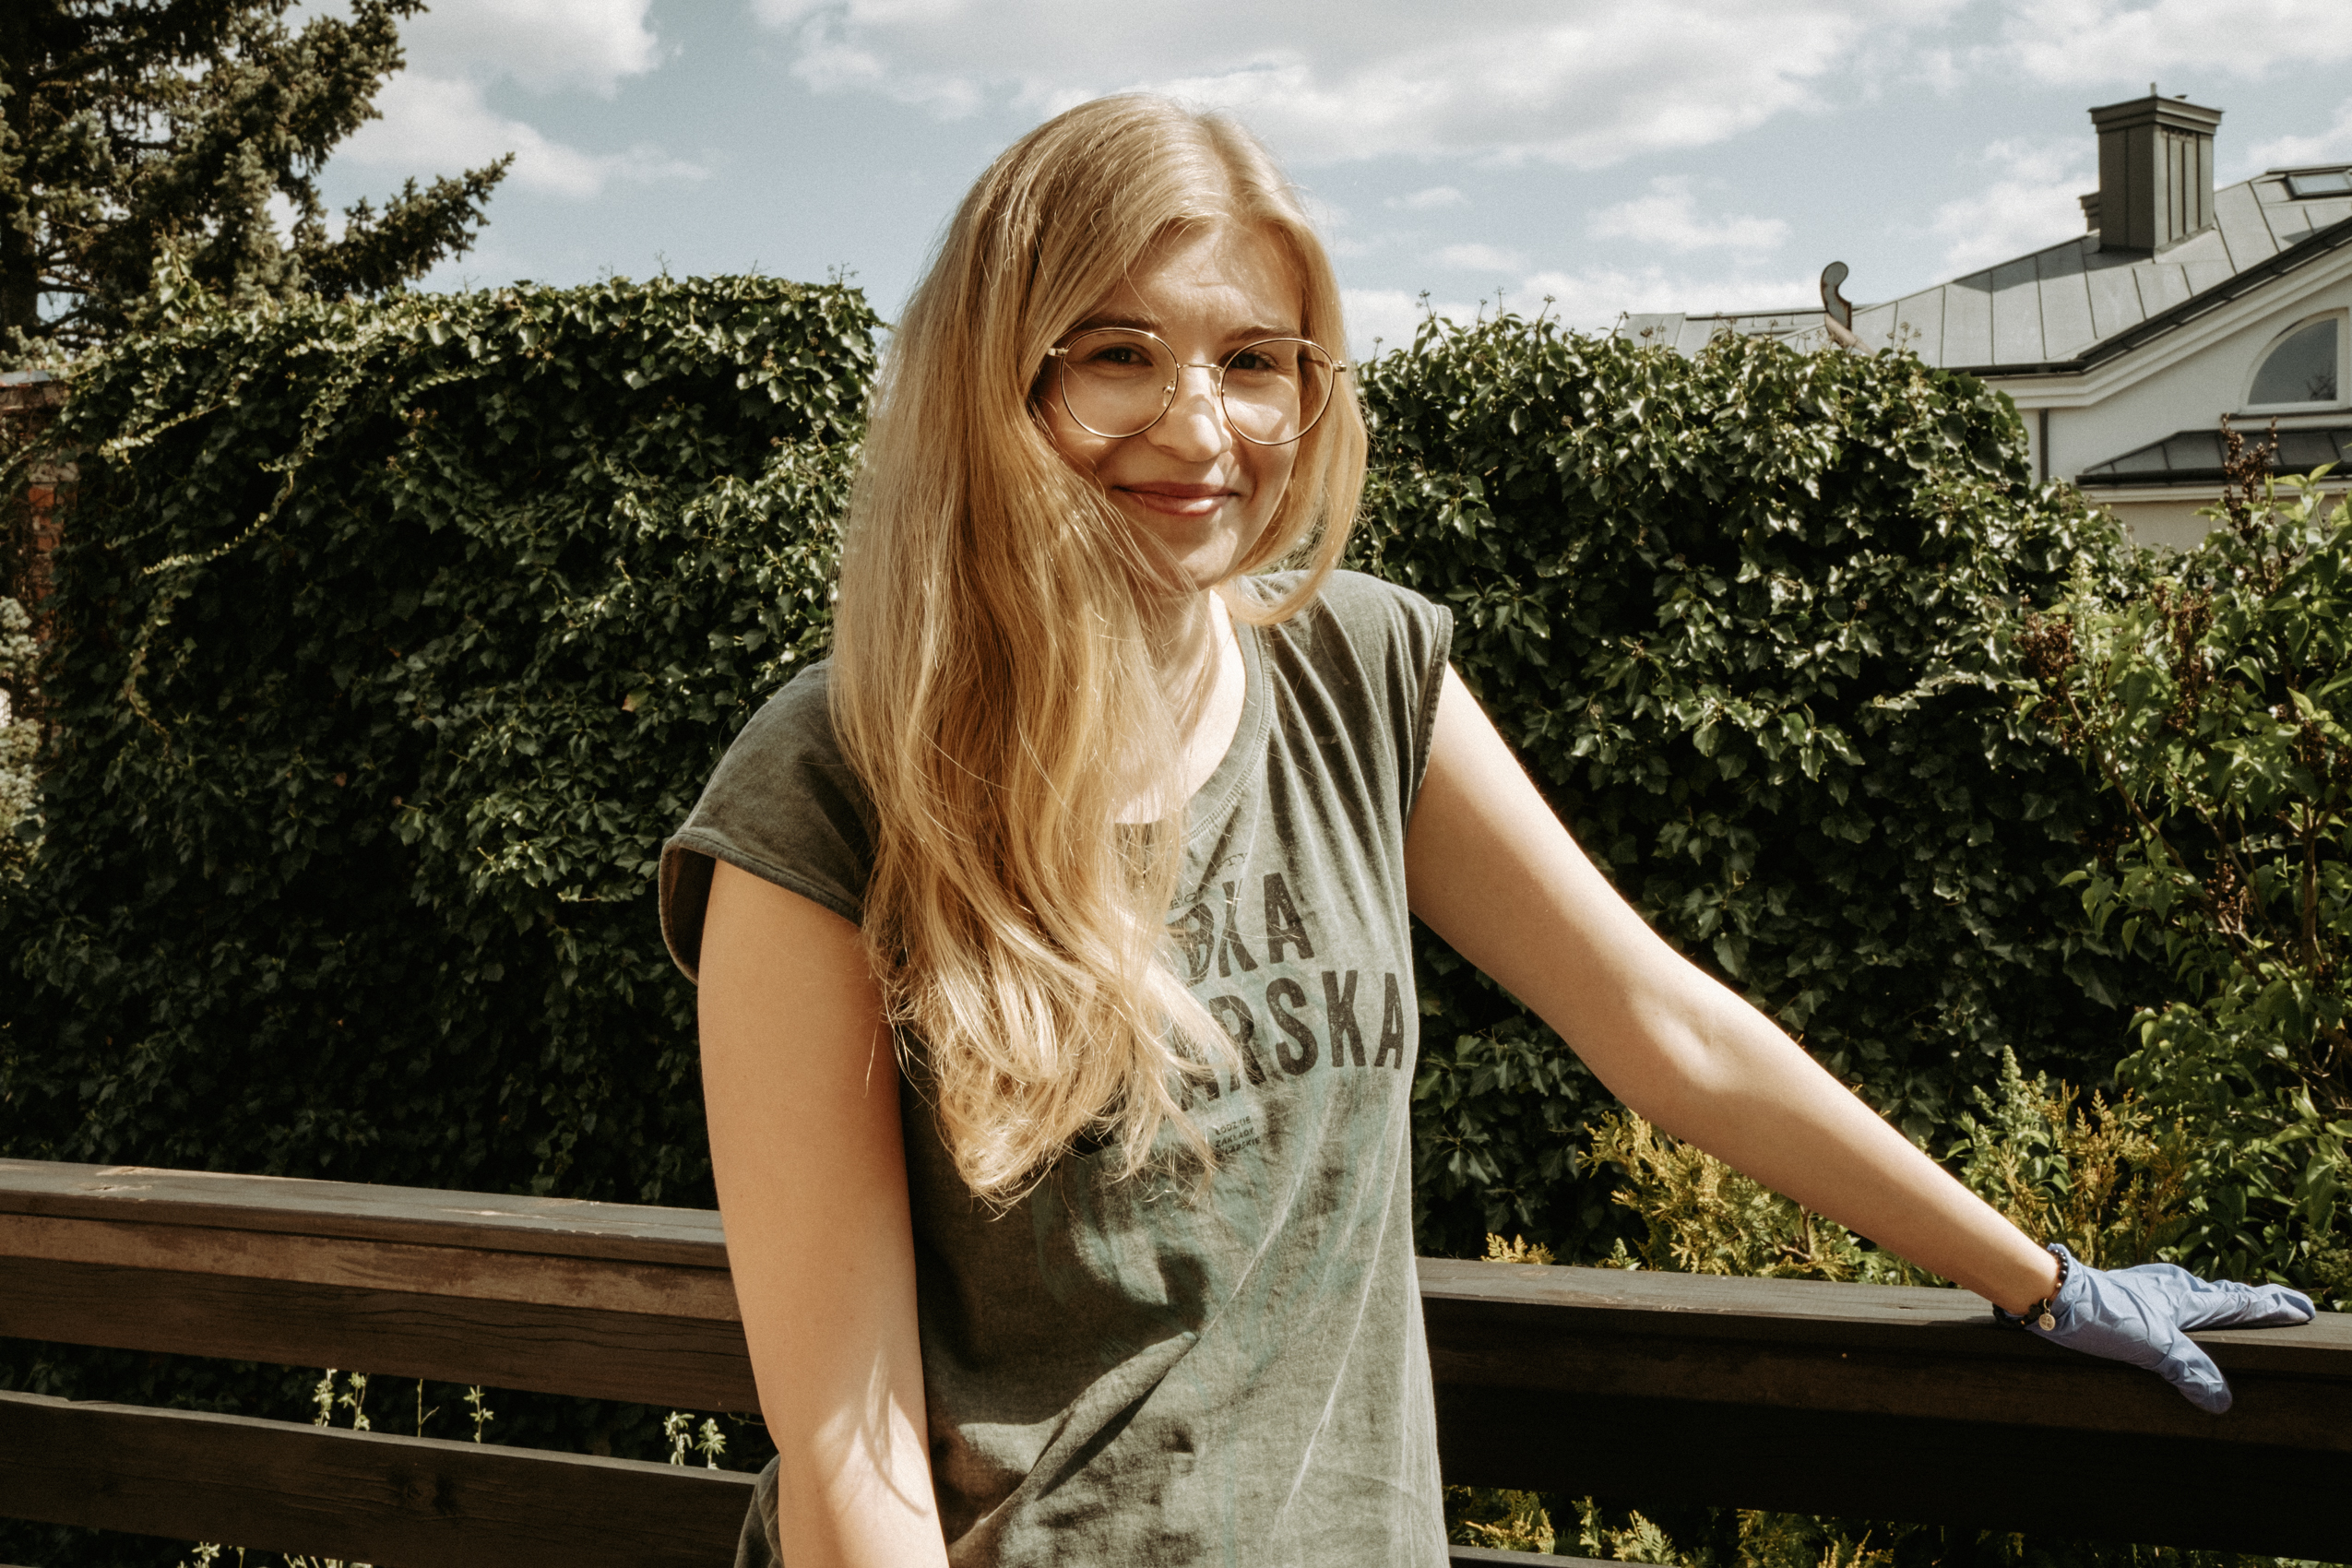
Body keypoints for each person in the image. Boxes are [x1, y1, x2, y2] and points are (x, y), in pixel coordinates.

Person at [659, 95, 2315, 1568]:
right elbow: (848, 1447)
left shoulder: (1360, 671)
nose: (1201, 426)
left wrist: (2043, 1279)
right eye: (1116, 353)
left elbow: (1661, 1025)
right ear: (993, 381)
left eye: (1253, 360)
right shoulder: (834, 783)